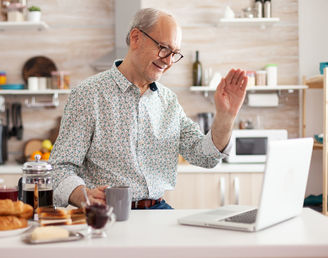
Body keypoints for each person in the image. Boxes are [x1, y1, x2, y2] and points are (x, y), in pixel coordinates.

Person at [49, 8, 247, 209]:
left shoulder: (168, 101)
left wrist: (226, 116)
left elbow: (204, 156)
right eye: (163, 48)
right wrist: (83, 196)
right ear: (136, 38)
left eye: (175, 54)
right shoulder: (88, 95)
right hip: (107, 213)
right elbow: (58, 169)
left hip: (159, 211)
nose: (169, 61)